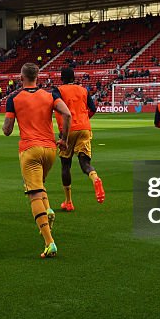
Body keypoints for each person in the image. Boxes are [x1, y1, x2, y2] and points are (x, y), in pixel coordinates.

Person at [2, 63, 71, 259]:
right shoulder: (50, 95)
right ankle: (48, 208)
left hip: (29, 150)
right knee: (40, 186)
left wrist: (6, 127)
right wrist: (63, 139)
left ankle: (50, 243)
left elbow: (7, 130)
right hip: (49, 150)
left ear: (21, 77)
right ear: (37, 77)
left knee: (33, 194)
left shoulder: (14, 98)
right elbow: (67, 113)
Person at [55, 66, 104, 211]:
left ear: (62, 78)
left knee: (65, 165)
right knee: (85, 163)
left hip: (68, 130)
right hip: (84, 128)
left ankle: (68, 202)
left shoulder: (58, 91)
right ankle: (95, 178)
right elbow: (93, 109)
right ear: (74, 78)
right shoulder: (83, 90)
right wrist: (84, 120)